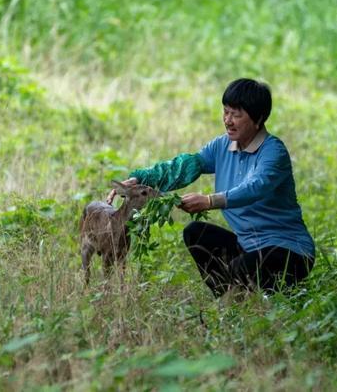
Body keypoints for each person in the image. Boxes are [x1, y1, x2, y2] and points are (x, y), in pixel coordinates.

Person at [107, 78, 315, 297]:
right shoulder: (222, 146)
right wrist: (141, 177)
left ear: (258, 118)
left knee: (241, 268)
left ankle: (253, 298)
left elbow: (256, 187)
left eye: (236, 114)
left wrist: (209, 201)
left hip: (290, 251)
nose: (228, 120)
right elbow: (186, 165)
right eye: (225, 112)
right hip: (249, 246)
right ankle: (229, 305)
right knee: (195, 234)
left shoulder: (274, 152)